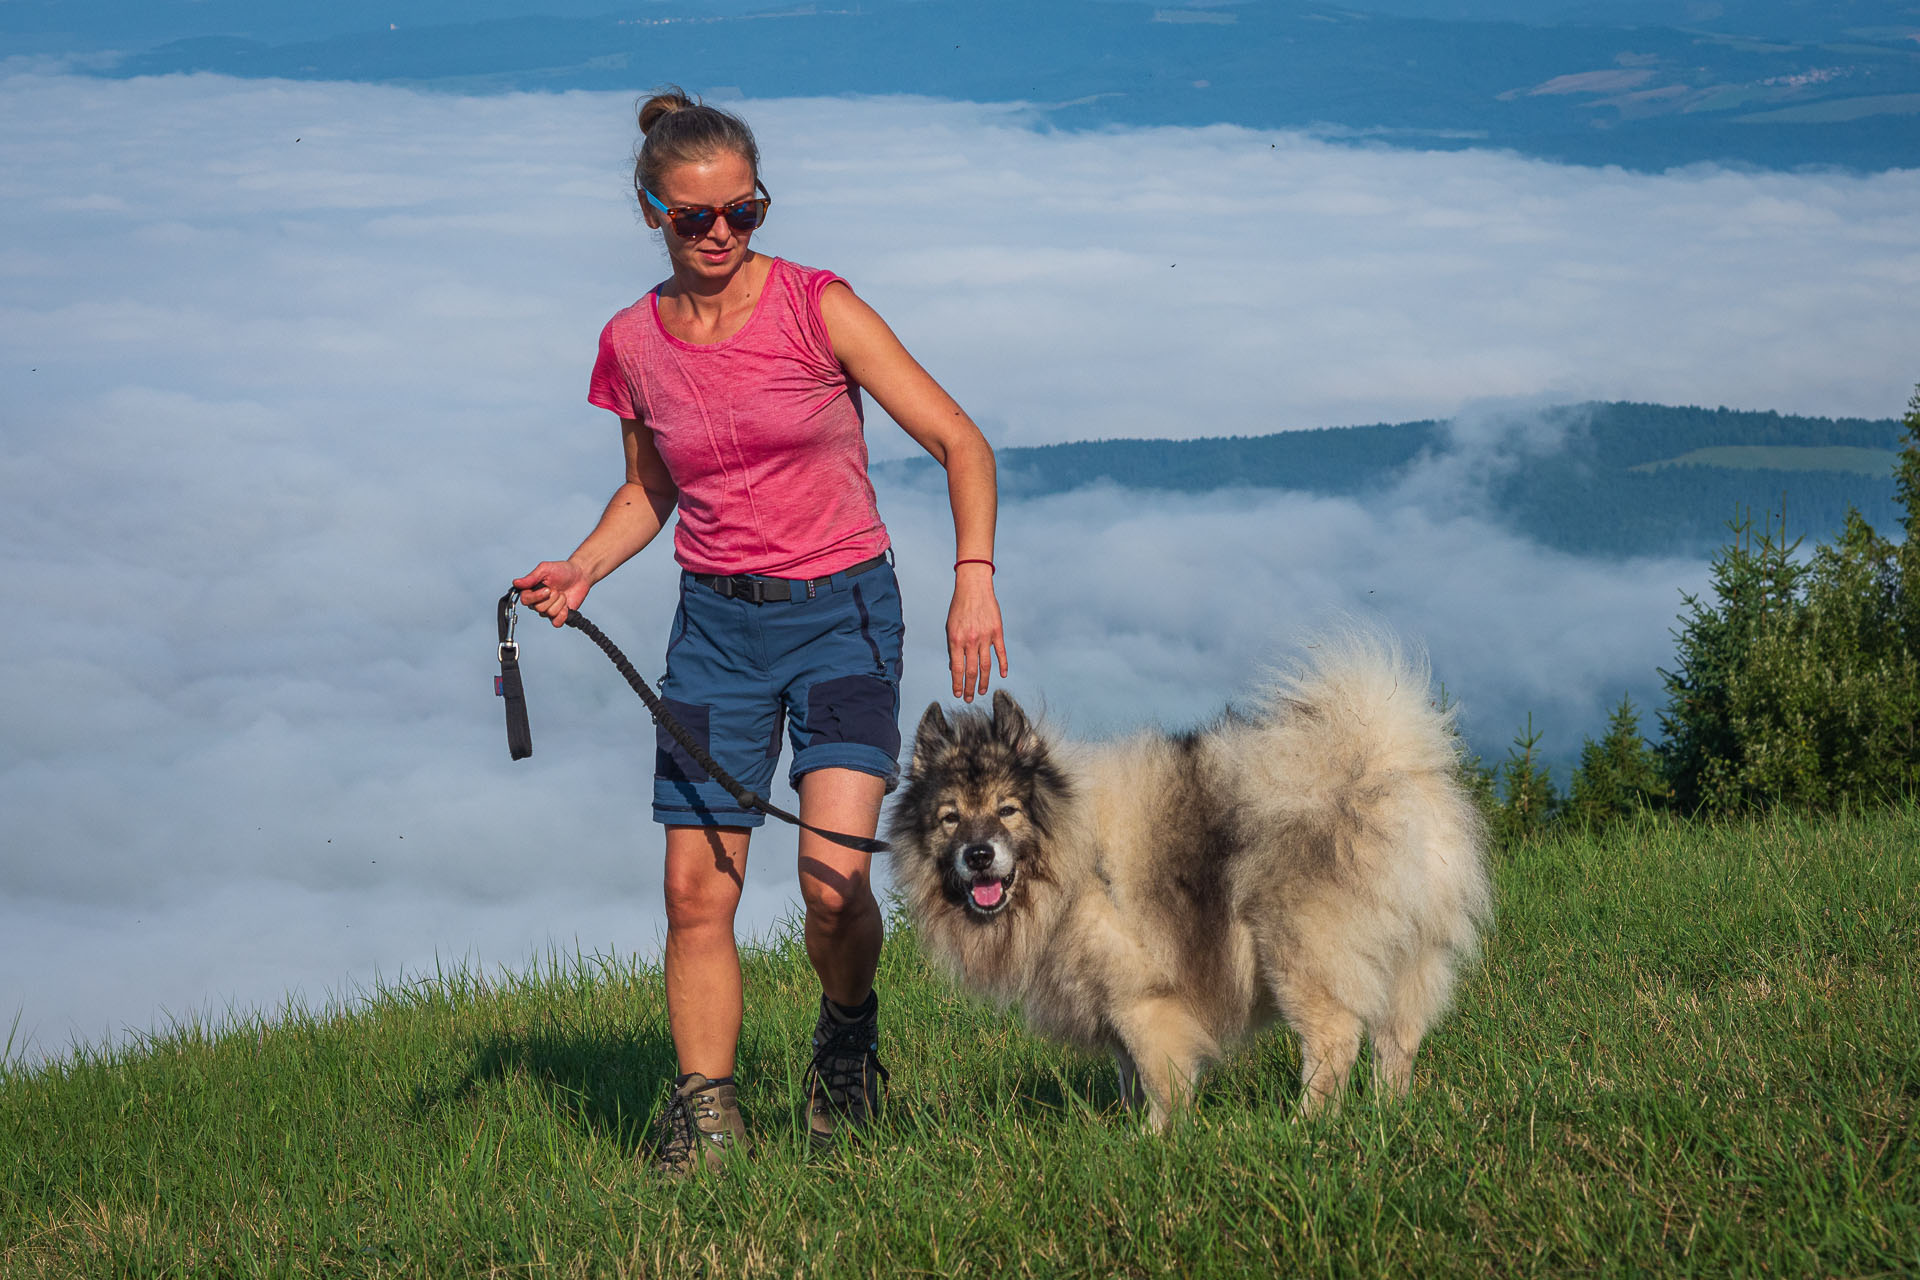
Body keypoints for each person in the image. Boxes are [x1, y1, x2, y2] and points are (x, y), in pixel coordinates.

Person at [513, 88, 1006, 1176]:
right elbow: (650, 492)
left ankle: (847, 1038)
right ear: (651, 211)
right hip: (715, 633)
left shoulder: (817, 308)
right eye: (698, 218)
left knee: (833, 887)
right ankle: (708, 1122)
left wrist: (974, 575)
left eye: (747, 211)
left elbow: (959, 441)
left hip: (844, 617)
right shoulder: (631, 342)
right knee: (696, 889)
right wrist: (583, 566)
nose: (725, 234)